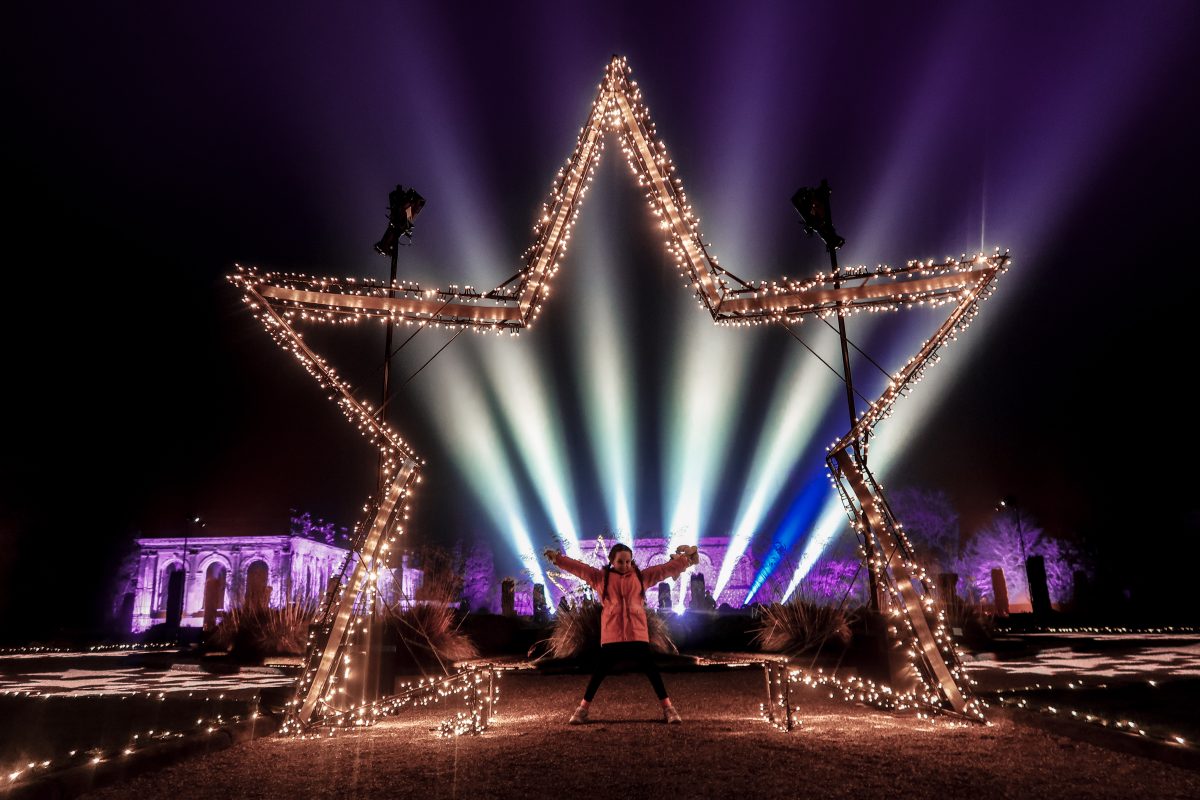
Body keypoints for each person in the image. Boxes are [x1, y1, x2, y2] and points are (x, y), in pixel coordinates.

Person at [544, 543, 699, 724]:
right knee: (600, 671)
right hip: (613, 634)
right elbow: (580, 569)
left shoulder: (641, 577)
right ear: (611, 561)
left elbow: (663, 570)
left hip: (637, 633)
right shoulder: (601, 578)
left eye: (628, 561)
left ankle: (669, 709)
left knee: (651, 669)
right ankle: (582, 710)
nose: (625, 565)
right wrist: (558, 559)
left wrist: (685, 560)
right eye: (620, 561)